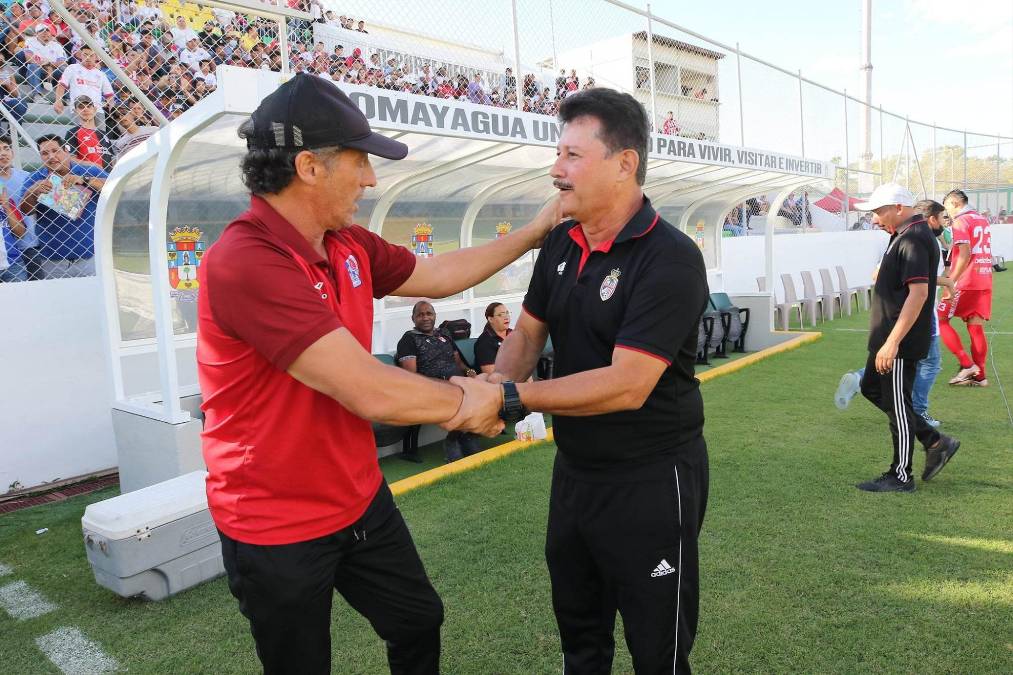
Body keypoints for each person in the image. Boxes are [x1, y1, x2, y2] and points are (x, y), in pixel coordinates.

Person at [197, 73, 561, 675]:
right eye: (360, 161)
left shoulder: (343, 242)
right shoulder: (246, 260)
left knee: (417, 621)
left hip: (358, 497)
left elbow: (438, 274)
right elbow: (363, 386)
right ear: (310, 166)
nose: (370, 178)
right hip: (275, 520)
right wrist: (472, 401)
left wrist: (535, 231)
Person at [488, 88, 710, 673]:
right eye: (557, 154)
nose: (556, 170)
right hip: (576, 475)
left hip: (651, 480)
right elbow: (529, 333)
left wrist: (512, 397)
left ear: (624, 163)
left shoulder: (671, 257)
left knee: (656, 650)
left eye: (572, 155)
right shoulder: (561, 240)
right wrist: (495, 383)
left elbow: (627, 384)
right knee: (580, 637)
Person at [852, 183, 959, 493]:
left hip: (899, 341)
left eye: (877, 212)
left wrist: (893, 341)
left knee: (898, 403)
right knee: (871, 388)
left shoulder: (912, 236)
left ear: (898, 209)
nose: (873, 219)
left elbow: (919, 293)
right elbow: (919, 279)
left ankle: (901, 476)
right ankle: (934, 439)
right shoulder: (904, 234)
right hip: (887, 338)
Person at [835, 199, 952, 428]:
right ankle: (916, 414)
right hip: (912, 317)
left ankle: (865, 380)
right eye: (943, 218)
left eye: (878, 213)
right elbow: (914, 288)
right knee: (928, 362)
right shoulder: (915, 240)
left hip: (902, 317)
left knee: (895, 369)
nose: (876, 220)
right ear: (931, 219)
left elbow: (892, 276)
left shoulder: (905, 238)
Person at [396, 301, 481, 463]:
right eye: (420, 315)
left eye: (429, 313)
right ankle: (453, 440)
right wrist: (440, 384)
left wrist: (469, 372)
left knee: (481, 388)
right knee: (460, 397)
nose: (425, 317)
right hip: (432, 387)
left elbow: (458, 362)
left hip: (457, 381)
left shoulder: (444, 334)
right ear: (413, 318)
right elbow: (411, 376)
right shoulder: (409, 340)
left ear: (435, 316)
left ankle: (466, 434)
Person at [17, 134, 107, 279]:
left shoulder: (88, 171)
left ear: (66, 150)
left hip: (92, 254)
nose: (51, 156)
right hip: (53, 259)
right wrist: (32, 192)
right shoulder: (35, 178)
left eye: (55, 151)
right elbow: (26, 211)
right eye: (45, 153)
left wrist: (85, 180)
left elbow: (115, 186)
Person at [937, 188, 992, 386]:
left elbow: (965, 253)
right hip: (984, 278)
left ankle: (967, 364)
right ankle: (980, 375)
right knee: (975, 327)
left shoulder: (961, 221)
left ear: (955, 203)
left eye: (947, 208)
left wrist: (951, 280)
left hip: (966, 280)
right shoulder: (982, 219)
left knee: (940, 320)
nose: (947, 214)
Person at [0, 136, 38, 280]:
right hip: (7, 249)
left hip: (31, 244)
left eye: (6, 148)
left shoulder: (28, 177)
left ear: (13, 153)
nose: (3, 153)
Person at [64, 96, 112, 169]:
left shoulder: (104, 134)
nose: (85, 109)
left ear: (95, 109)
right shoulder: (72, 132)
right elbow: (70, 159)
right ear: (75, 111)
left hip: (109, 177)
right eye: (81, 107)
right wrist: (92, 166)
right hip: (87, 177)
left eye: (88, 106)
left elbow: (111, 159)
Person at [474, 302, 512, 375]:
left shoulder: (513, 334)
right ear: (490, 319)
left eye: (507, 313)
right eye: (500, 315)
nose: (506, 317)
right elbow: (492, 375)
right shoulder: (484, 343)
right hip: (498, 383)